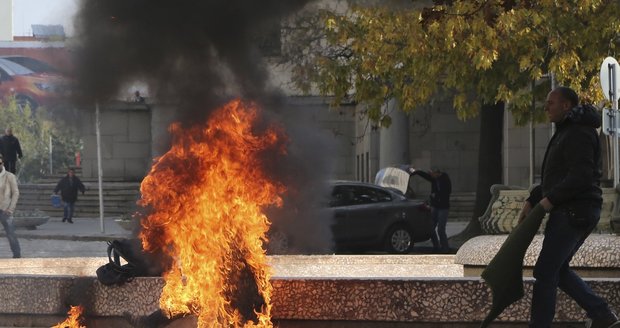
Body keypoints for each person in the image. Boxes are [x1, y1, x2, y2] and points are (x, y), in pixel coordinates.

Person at [517, 86, 619, 328]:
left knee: (545, 271)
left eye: (551, 103)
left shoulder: (578, 133)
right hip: (572, 210)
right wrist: (532, 199)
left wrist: (549, 200)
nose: (545, 108)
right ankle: (602, 314)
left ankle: (540, 325)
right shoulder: (567, 131)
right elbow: (557, 176)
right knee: (556, 269)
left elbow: (581, 176)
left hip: (574, 212)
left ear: (566, 106)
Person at [403, 166, 451, 253]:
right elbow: (424, 175)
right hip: (435, 206)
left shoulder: (444, 179)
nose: (431, 176)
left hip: (443, 207)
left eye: (432, 174)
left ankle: (445, 248)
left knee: (440, 229)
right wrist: (415, 172)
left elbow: (446, 192)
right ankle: (436, 246)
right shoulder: (433, 178)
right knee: (431, 228)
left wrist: (436, 195)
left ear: (437, 173)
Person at [0, 156, 21, 258]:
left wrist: (11, 209)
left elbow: (16, 193)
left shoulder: (10, 176)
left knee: (11, 234)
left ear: (2, 163)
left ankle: (17, 255)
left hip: (5, 210)